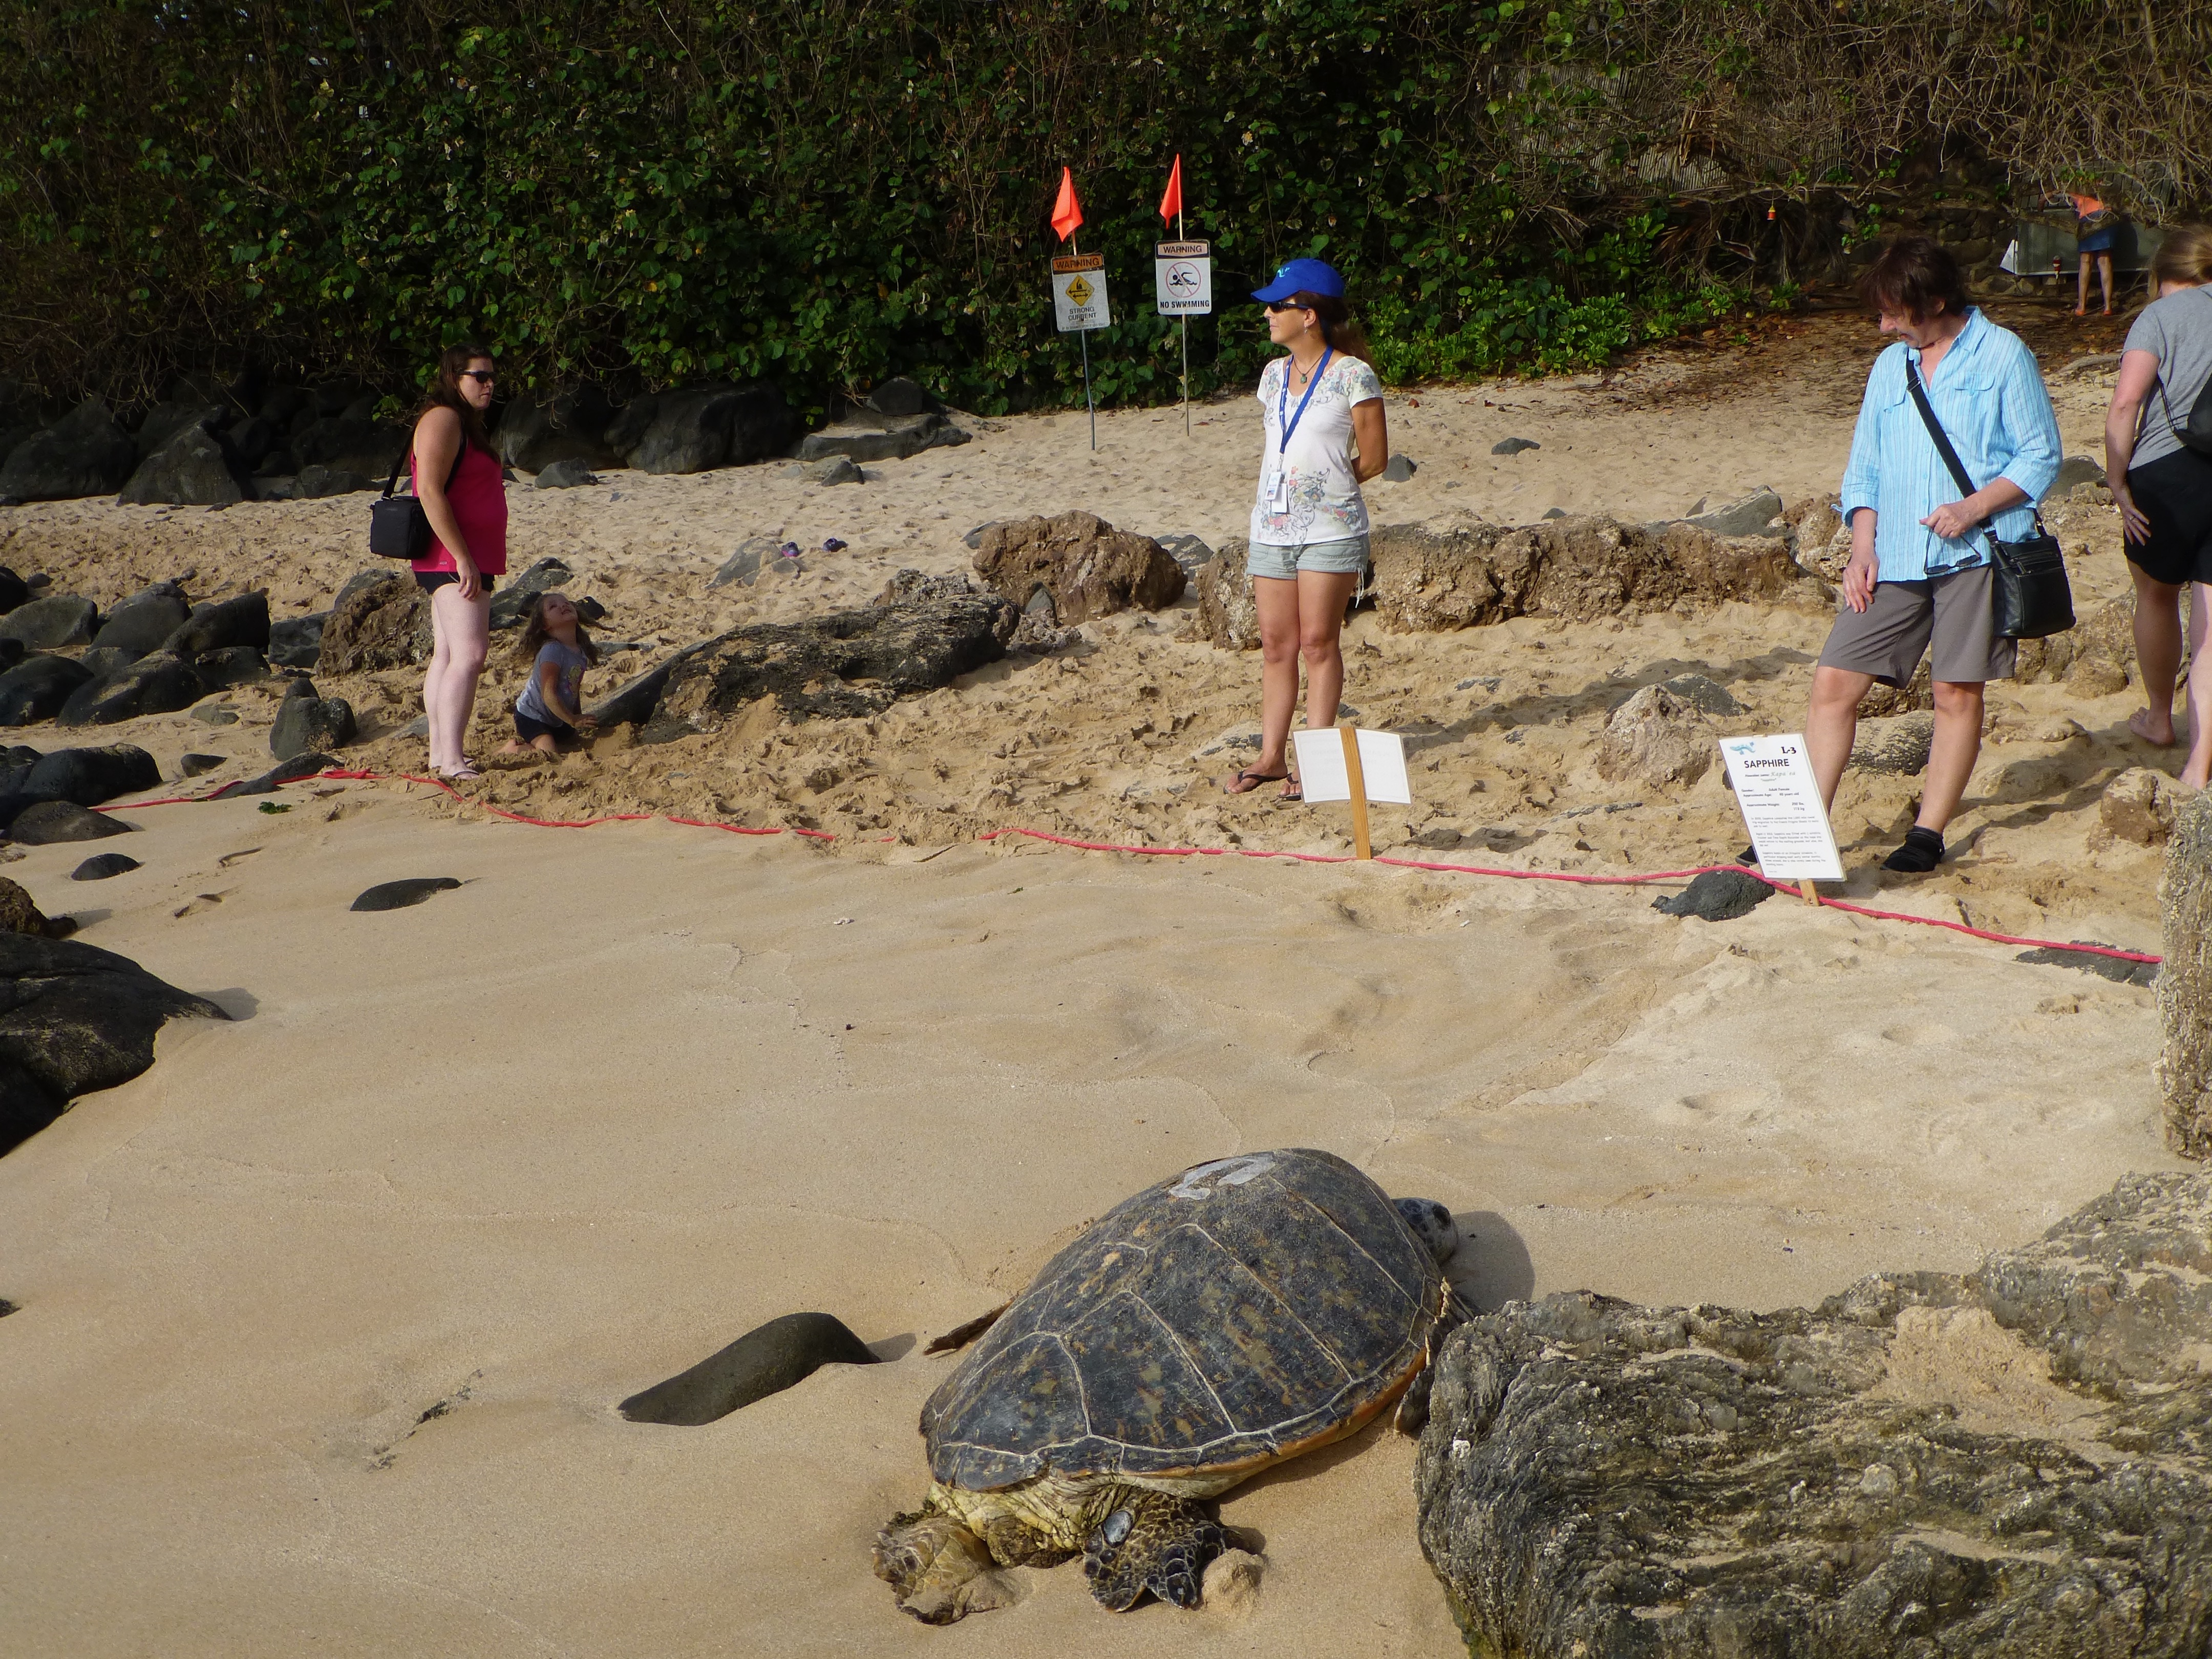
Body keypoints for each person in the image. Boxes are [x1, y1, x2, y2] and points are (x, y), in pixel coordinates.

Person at [1801, 236, 2061, 873]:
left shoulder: (2004, 354)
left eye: (1895, 314)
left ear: (1936, 302)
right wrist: (1862, 547)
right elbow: (1865, 466)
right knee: (1833, 682)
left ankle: (1927, 834)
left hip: (1976, 553)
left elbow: (2041, 455)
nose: (1884, 327)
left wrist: (1972, 508)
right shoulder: (1890, 366)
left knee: (1954, 693)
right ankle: (1802, 829)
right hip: (1893, 555)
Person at [1218, 259, 1388, 800]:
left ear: (1309, 315)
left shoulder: (1353, 375)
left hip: (1331, 529)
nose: (1267, 314)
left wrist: (1326, 488)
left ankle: (1313, 762)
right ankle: (1270, 757)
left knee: (1317, 643)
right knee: (1275, 645)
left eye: (1278, 305)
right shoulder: (1272, 375)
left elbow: (1376, 459)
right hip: (1270, 527)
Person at [2107, 224, 2212, 783]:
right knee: (2211, 620)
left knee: (2155, 594)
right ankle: (2202, 760)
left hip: (2166, 472)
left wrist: (2116, 480)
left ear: (2163, 273)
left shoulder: (2159, 317)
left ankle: (2158, 717)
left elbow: (2127, 403)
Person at [411, 344, 508, 780]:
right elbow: (429, 491)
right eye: (479, 377)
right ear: (454, 378)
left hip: (460, 555)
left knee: (448, 653)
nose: (489, 385)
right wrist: (463, 557)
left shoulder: (462, 422)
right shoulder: (444, 419)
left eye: (492, 377)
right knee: (470, 653)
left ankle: (440, 754)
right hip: (452, 556)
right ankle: (451, 759)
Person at [503, 591, 600, 756]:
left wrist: (577, 716)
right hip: (532, 716)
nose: (563, 606)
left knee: (571, 740)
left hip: (557, 716)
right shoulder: (552, 650)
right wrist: (572, 720)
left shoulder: (580, 652)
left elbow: (574, 689)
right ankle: (511, 749)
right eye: (553, 606)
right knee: (548, 752)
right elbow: (548, 694)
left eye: (566, 602)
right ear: (545, 625)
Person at [2072, 193, 2119, 318]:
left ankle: (2082, 306)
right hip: (2107, 216)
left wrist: (2042, 202)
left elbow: (2053, 193)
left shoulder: (2074, 187)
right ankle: (2107, 306)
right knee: (2105, 261)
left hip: (2089, 218)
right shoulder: (2103, 185)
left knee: (2086, 261)